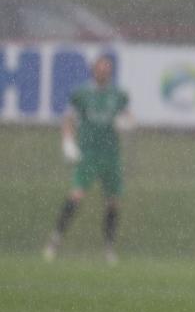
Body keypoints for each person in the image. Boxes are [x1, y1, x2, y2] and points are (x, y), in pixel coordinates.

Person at [43, 55, 133, 265]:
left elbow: (129, 116)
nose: (103, 72)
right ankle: (54, 241)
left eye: (107, 69)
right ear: (93, 70)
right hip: (88, 154)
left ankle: (109, 249)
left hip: (111, 155)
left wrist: (126, 122)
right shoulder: (81, 94)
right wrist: (67, 141)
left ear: (110, 72)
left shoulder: (118, 95)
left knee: (113, 202)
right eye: (100, 68)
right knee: (76, 196)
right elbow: (68, 119)